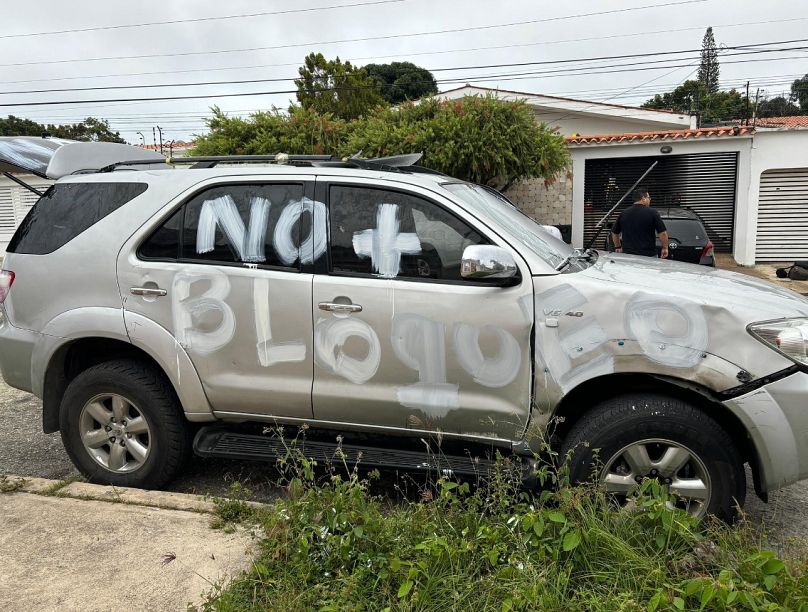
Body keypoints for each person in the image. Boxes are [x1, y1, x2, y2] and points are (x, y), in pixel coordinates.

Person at [611, 187, 669, 258]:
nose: (650, 200)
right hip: (648, 255)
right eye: (649, 198)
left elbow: (614, 232)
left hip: (627, 256)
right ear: (643, 198)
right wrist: (665, 248)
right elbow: (662, 233)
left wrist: (618, 247)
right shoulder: (652, 213)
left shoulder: (624, 213)